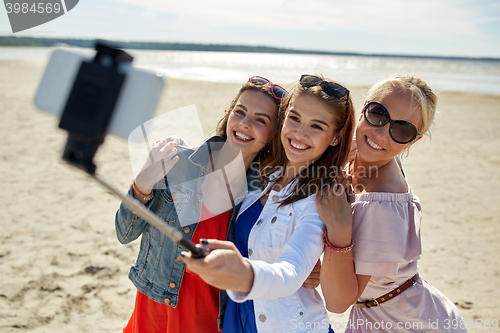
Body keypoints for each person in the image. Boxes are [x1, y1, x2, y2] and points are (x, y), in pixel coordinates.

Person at [182, 74, 356, 333]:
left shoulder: (321, 198)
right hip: (235, 319)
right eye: (294, 118)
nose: (299, 133)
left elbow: (291, 271)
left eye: (317, 126)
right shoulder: (261, 172)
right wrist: (176, 148)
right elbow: (233, 138)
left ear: (336, 137)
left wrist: (245, 274)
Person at [115, 76, 287, 333]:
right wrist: (141, 184)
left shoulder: (262, 195)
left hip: (211, 321)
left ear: (274, 134)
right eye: (239, 112)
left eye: (260, 120)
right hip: (152, 315)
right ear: (229, 114)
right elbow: (125, 233)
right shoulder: (176, 163)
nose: (244, 123)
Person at [316, 74, 468, 332]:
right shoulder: (364, 157)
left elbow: (338, 301)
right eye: (377, 114)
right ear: (363, 107)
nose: (382, 133)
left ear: (413, 140)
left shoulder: (381, 204)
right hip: (390, 309)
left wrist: (336, 230)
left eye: (402, 130)